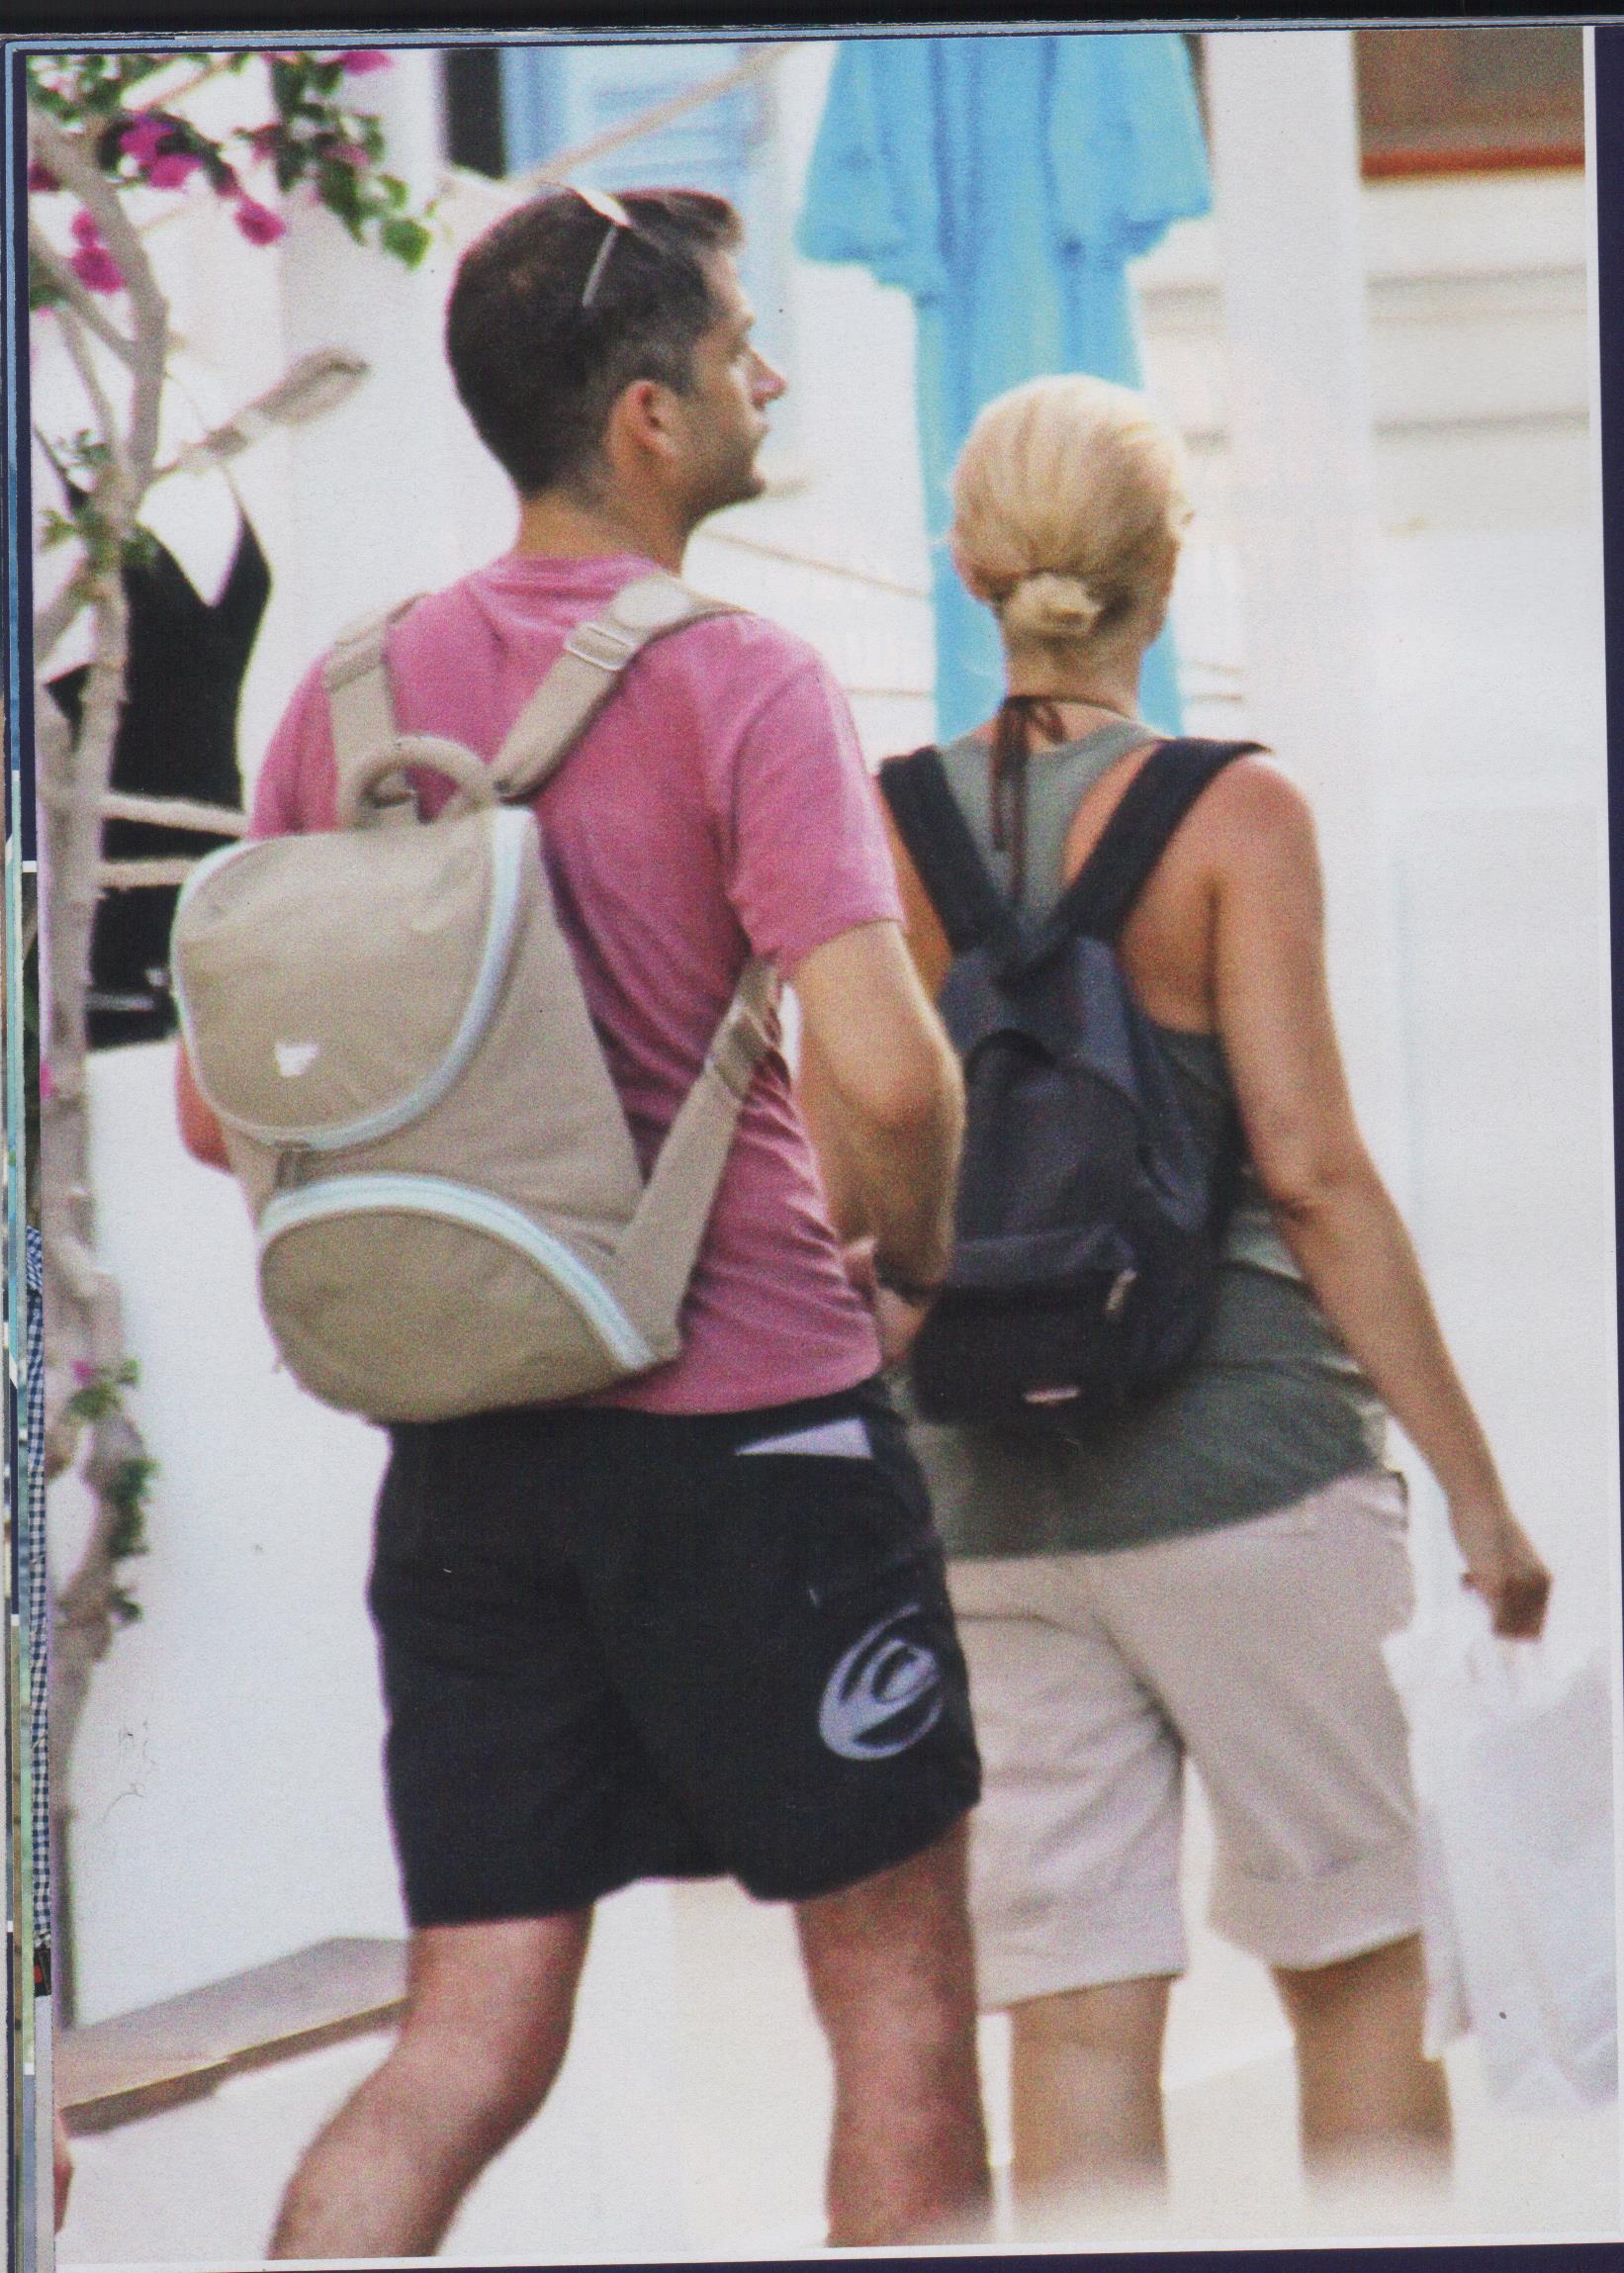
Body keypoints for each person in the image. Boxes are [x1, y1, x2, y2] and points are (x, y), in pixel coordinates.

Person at [176, 185, 989, 2255]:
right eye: (734, 349)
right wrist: (903, 1266)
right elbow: (888, 1073)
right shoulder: (746, 682)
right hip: (753, 1437)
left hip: (466, 1460)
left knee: (465, 2041)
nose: (764, 377)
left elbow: (211, 1109)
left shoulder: (352, 697)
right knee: (894, 2010)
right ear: (647, 416)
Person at [826, 373, 1552, 2210]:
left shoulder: (879, 830)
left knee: (1073, 2016)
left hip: (985, 1497)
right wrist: (1474, 1493)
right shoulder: (1237, 814)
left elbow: (849, 1182)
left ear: (970, 566)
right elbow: (1309, 1171)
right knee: (1355, 1971)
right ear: (1167, 565)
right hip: (1248, 1471)